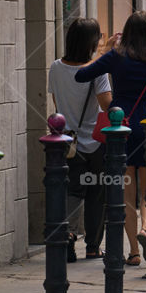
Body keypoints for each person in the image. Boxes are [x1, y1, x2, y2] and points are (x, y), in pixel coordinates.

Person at [76, 12, 146, 268]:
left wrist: (104, 51)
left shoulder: (116, 57)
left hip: (121, 131)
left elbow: (81, 76)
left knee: (126, 196)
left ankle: (134, 252)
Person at [49, 19, 112, 261]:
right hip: (95, 142)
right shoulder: (98, 70)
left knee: (72, 191)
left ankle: (68, 236)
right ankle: (93, 246)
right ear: (91, 41)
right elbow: (107, 105)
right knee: (97, 193)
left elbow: (57, 105)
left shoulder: (55, 67)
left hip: (68, 142)